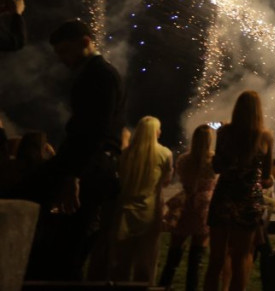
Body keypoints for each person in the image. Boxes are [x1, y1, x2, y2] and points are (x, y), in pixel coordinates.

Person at [21, 19, 125, 281]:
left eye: (65, 51)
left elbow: (94, 130)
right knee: (68, 243)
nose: (62, 59)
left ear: (86, 42)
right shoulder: (97, 74)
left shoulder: (99, 75)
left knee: (69, 244)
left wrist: (73, 175)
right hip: (90, 163)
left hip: (89, 166)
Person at [204, 91, 274, 291]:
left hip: (224, 197)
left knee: (216, 259)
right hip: (248, 201)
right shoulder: (265, 137)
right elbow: (266, 176)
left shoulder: (224, 132)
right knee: (241, 258)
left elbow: (217, 167)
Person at [110, 116, 173, 283]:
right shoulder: (164, 153)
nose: (160, 132)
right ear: (155, 132)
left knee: (121, 265)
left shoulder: (127, 153)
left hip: (125, 213)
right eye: (158, 129)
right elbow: (166, 181)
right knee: (146, 264)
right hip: (149, 213)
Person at [159, 124, 218, 291]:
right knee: (197, 256)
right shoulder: (213, 160)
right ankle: (191, 287)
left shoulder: (184, 160)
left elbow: (181, 176)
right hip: (204, 207)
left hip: (186, 204)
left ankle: (164, 284)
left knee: (174, 251)